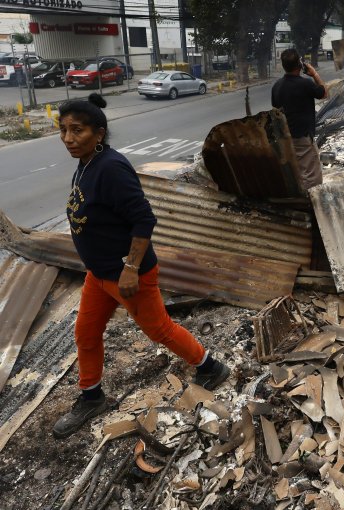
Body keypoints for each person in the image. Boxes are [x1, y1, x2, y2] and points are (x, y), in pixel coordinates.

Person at [53, 93, 231, 439]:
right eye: (63, 130)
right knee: (86, 334)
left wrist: (131, 268)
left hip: (125, 273)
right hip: (99, 273)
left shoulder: (111, 169)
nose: (68, 139)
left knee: (160, 330)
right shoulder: (87, 162)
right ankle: (92, 396)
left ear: (99, 133)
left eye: (78, 130)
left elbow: (143, 219)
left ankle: (210, 367)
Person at [271, 48, 327, 192]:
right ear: (300, 65)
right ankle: (310, 205)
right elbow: (324, 92)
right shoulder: (306, 84)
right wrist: (314, 74)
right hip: (302, 138)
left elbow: (276, 111)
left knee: (294, 173)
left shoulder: (276, 87)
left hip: (284, 138)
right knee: (311, 177)